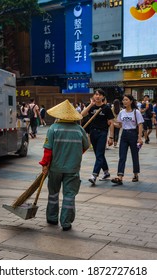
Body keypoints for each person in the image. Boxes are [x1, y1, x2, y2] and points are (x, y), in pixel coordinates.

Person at [39, 99, 89, 231]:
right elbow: (86, 146)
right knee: (69, 195)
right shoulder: (79, 130)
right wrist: (75, 154)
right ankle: (66, 223)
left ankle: (52, 218)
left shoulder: (53, 129)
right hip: (72, 169)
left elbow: (48, 151)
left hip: (55, 168)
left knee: (53, 194)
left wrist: (44, 165)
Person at [81, 88, 114, 185]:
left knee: (99, 154)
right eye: (96, 94)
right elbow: (82, 115)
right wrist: (91, 104)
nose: (97, 96)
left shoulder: (106, 108)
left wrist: (111, 137)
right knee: (98, 154)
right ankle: (106, 172)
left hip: (102, 133)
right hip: (93, 133)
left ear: (103, 97)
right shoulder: (91, 107)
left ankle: (94, 175)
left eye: (100, 95)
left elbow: (111, 123)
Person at [111, 94, 144, 186]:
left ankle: (136, 174)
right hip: (124, 135)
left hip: (133, 134)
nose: (124, 101)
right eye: (123, 100)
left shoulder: (136, 112)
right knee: (122, 156)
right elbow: (120, 125)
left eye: (126, 100)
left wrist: (139, 137)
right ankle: (120, 177)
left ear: (131, 101)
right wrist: (113, 124)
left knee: (134, 155)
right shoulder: (122, 112)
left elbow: (140, 124)